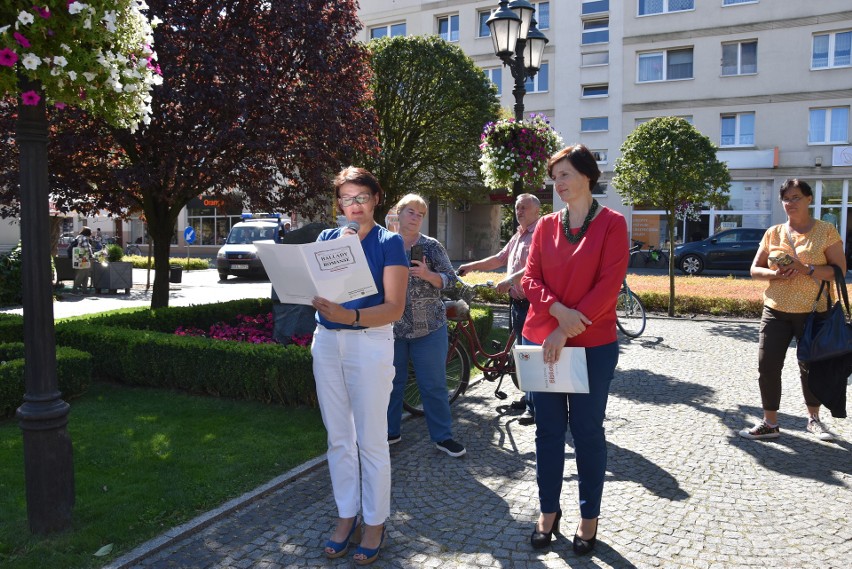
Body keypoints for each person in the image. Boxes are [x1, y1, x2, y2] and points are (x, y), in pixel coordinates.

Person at [521, 144, 628, 555]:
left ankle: (589, 516)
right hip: (541, 340)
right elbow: (530, 279)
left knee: (586, 432)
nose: (559, 184)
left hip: (592, 345)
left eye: (565, 175)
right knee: (547, 431)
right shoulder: (546, 226)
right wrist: (557, 312)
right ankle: (548, 510)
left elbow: (609, 285)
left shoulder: (613, 224)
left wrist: (566, 329)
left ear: (587, 175)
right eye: (555, 178)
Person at [310, 167, 408, 565]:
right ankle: (346, 514)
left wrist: (349, 316)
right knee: (338, 438)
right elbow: (319, 288)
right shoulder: (326, 238)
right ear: (338, 203)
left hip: (369, 342)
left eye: (361, 197)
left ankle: (375, 522)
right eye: (347, 199)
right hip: (327, 342)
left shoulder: (391, 242)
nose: (354, 206)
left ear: (375, 199)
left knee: (370, 439)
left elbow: (394, 308)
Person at [739, 179, 846, 442]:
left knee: (811, 367)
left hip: (814, 312)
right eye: (786, 198)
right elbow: (754, 269)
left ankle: (814, 420)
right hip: (776, 310)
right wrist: (775, 275)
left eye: (796, 197)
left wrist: (805, 268)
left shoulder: (825, 231)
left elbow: (839, 272)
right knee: (768, 366)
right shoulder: (773, 233)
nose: (790, 203)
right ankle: (770, 423)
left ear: (809, 199)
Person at [386, 194, 465, 457]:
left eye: (421, 214)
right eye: (411, 212)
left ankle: (442, 437)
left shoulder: (431, 247)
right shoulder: (386, 244)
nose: (416, 217)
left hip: (429, 327)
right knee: (390, 383)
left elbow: (453, 282)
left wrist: (429, 275)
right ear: (399, 213)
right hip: (392, 328)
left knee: (433, 384)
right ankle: (390, 432)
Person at [457, 193, 541, 425]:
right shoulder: (518, 235)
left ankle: (535, 408)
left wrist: (510, 280)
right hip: (516, 303)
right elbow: (499, 258)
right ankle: (529, 397)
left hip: (532, 306)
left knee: (531, 356)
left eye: (524, 207)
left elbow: (535, 266)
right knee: (522, 353)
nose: (519, 211)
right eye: (517, 207)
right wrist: (470, 266)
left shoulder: (540, 234)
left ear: (537, 211)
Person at [71, 226, 95, 294]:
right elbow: (86, 248)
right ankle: (74, 289)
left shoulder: (78, 237)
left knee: (85, 274)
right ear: (88, 233)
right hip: (83, 258)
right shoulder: (84, 238)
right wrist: (91, 255)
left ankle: (84, 290)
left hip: (78, 257)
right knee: (82, 274)